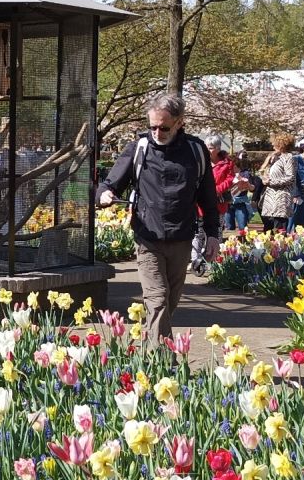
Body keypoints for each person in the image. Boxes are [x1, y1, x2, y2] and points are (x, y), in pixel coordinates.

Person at [97, 94, 219, 345]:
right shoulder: (139, 148)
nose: (157, 132)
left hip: (182, 237)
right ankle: (162, 360)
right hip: (148, 237)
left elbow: (208, 197)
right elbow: (109, 184)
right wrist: (105, 194)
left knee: (169, 303)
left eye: (164, 127)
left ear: (179, 123)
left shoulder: (195, 151)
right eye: (152, 126)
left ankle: (148, 347)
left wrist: (213, 234)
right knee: (158, 299)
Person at [197, 135, 235, 272]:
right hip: (201, 202)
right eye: (206, 147)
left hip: (218, 202)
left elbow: (230, 179)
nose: (208, 150)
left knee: (216, 233)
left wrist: (215, 190)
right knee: (199, 232)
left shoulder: (227, 162)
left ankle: (213, 261)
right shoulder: (201, 160)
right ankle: (197, 260)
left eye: (211, 148)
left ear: (218, 148)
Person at [258, 134, 297, 231]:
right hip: (270, 199)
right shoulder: (274, 157)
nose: (272, 146)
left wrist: (271, 182)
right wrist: (264, 177)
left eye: (274, 144)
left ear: (281, 145)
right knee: (268, 229)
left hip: (281, 198)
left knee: (279, 229)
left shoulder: (289, 158)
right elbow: (264, 171)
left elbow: (290, 177)